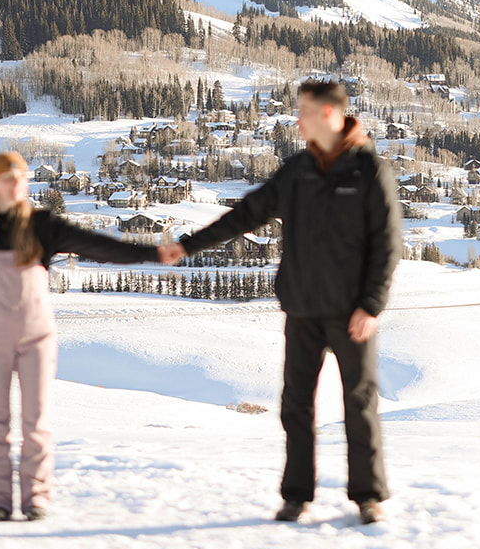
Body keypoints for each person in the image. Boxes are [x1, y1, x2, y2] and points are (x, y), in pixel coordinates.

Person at [159, 80, 402, 525]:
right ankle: (296, 495)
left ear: (329, 114)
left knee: (359, 403)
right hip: (303, 308)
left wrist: (371, 304)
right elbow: (246, 214)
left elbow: (388, 243)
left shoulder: (368, 171)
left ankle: (368, 497)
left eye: (304, 111)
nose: (297, 120)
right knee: (296, 406)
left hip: (353, 313)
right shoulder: (297, 171)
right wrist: (190, 245)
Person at [0, 151, 174, 522]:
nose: (17, 184)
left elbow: (101, 247)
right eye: (9, 178)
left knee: (36, 422)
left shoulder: (42, 226)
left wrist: (152, 252)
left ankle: (36, 500)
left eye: (21, 177)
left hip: (38, 336)